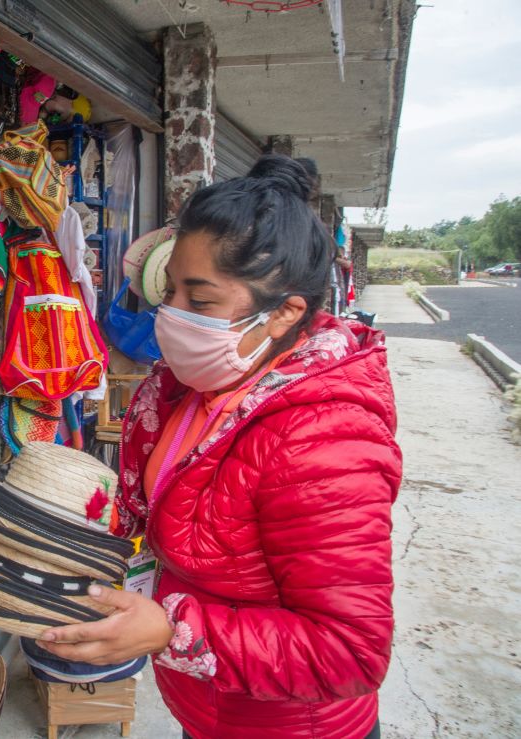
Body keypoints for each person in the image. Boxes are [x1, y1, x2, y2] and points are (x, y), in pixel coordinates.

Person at [38, 155, 402, 739]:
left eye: (200, 300)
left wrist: (169, 630)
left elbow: (349, 653)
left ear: (284, 313)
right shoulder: (184, 390)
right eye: (170, 289)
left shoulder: (325, 441)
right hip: (210, 706)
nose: (170, 314)